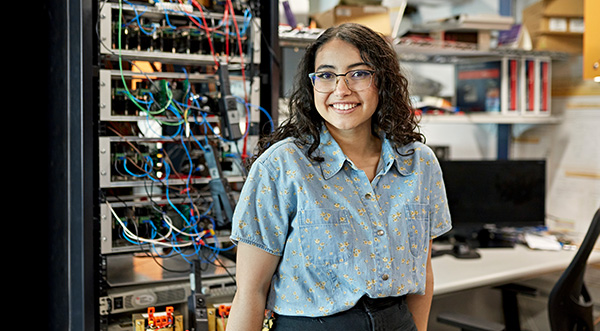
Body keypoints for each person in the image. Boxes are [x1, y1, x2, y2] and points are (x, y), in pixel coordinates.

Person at [226, 22, 452, 331]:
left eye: (359, 73)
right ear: (312, 85)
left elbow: (422, 275)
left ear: (382, 81)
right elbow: (250, 292)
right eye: (326, 75)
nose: (341, 90)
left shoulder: (418, 164)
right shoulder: (282, 165)